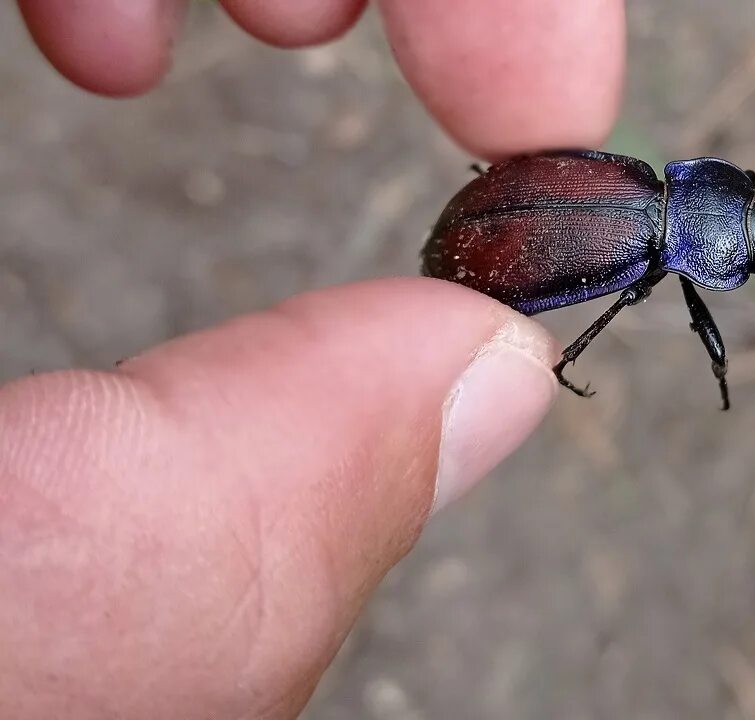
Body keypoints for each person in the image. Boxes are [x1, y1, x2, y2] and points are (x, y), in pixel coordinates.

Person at [0, 2, 625, 717]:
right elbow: (605, 292)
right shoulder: (640, 215)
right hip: (483, 245)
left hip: (494, 219)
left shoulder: (630, 181)